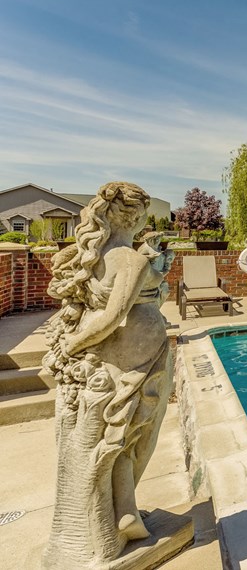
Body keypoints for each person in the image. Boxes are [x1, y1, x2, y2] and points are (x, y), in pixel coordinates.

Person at [43, 182, 174, 567]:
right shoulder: (129, 260)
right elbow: (115, 314)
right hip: (139, 350)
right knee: (136, 435)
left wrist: (77, 342)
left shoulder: (97, 256)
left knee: (115, 436)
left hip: (112, 353)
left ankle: (123, 511)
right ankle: (117, 518)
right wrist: (75, 343)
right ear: (132, 216)